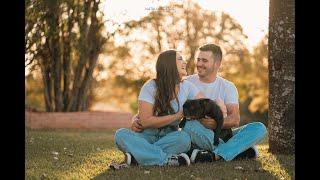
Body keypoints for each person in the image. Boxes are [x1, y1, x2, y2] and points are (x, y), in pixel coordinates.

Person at [131, 44, 267, 163]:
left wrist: (216, 124)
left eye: (204, 60)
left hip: (221, 133)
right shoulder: (186, 83)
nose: (199, 64)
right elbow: (162, 103)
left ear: (217, 64)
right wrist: (137, 118)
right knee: (189, 126)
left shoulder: (228, 86)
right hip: (197, 132)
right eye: (198, 59)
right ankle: (235, 150)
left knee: (259, 128)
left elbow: (234, 119)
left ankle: (215, 154)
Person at [114, 50, 204, 167]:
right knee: (120, 135)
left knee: (184, 139)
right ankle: (165, 159)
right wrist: (176, 116)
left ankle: (139, 157)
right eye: (180, 59)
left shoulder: (187, 87)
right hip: (146, 136)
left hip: (169, 137)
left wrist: (214, 106)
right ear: (169, 64)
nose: (185, 62)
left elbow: (204, 105)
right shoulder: (150, 87)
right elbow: (146, 121)